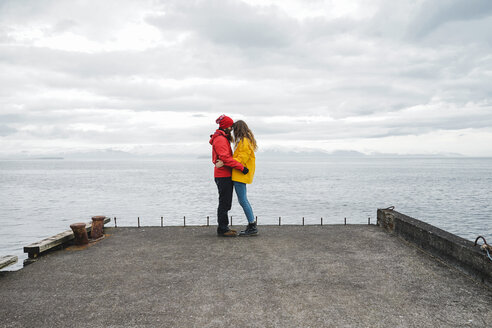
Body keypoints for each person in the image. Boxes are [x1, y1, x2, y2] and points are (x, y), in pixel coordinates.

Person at [216, 120, 258, 236]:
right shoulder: (244, 140)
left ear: (238, 130)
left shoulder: (244, 141)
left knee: (243, 200)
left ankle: (252, 225)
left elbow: (241, 159)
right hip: (239, 174)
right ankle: (252, 224)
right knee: (243, 200)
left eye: (234, 129)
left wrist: (224, 162)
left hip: (240, 175)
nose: (232, 131)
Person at [209, 115, 249, 237]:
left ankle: (224, 227)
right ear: (226, 126)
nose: (231, 128)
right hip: (223, 175)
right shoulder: (221, 139)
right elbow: (225, 158)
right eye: (230, 126)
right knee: (224, 202)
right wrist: (242, 168)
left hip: (224, 173)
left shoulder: (222, 138)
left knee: (225, 202)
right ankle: (223, 228)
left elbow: (223, 158)